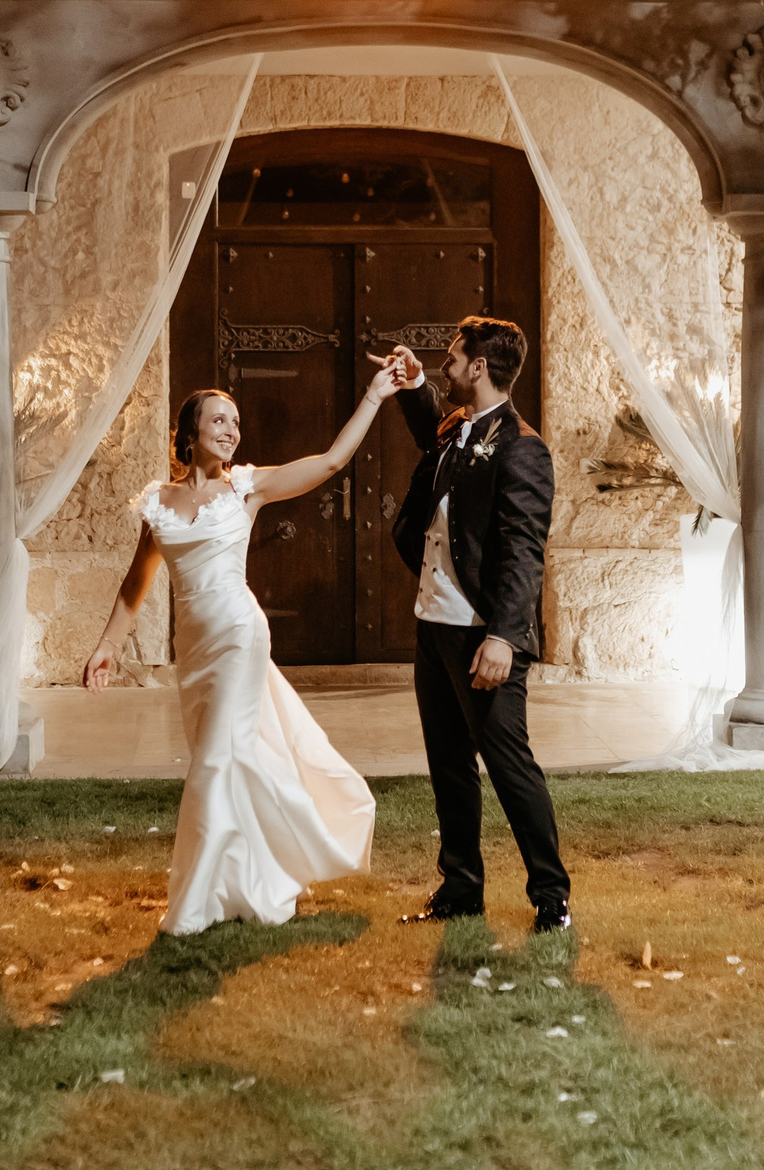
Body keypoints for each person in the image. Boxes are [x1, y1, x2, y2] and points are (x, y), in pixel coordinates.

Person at [83, 362, 401, 937]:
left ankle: (195, 903)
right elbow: (136, 585)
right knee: (230, 757)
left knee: (212, 762)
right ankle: (252, 880)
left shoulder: (246, 488)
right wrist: (107, 645)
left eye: (235, 421)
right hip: (195, 648)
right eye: (218, 420)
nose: (231, 430)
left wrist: (375, 396)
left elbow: (330, 462)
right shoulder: (157, 502)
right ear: (190, 431)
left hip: (238, 634)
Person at [383, 317, 572, 935]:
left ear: (480, 368)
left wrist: (503, 636)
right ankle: (461, 887)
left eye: (453, 358)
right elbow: (430, 433)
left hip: (480, 633)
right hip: (432, 625)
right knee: (448, 762)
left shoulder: (521, 446)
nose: (447, 365)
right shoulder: (454, 429)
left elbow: (524, 550)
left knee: (509, 763)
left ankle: (551, 897)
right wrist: (413, 386)